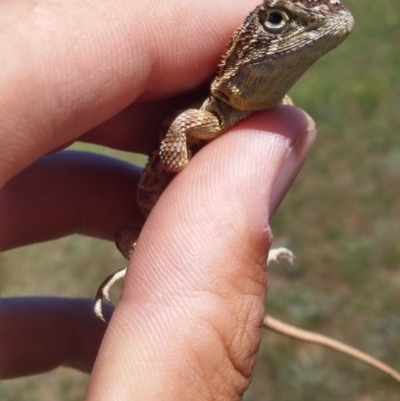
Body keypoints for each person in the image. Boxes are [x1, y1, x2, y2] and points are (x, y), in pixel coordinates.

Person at [0, 0, 315, 398]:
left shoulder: (266, 105)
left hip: (182, 202)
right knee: (138, 238)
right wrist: (186, 191)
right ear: (245, 55)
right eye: (276, 20)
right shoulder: (210, 115)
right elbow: (183, 125)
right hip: (154, 203)